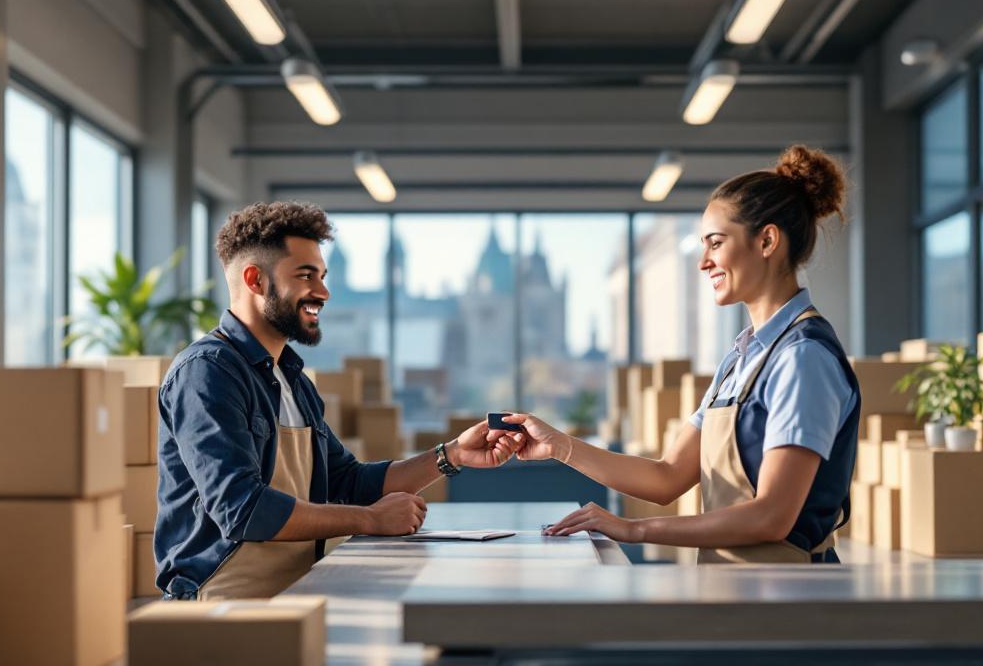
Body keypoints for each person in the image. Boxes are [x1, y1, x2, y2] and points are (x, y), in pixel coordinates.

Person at [497, 145, 858, 563]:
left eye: (716, 243)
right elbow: (666, 476)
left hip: (787, 599)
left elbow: (772, 517)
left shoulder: (803, 358)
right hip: (736, 589)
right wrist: (558, 446)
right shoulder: (742, 359)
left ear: (767, 241)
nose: (704, 262)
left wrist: (634, 529)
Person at [155, 201, 521, 599]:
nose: (324, 292)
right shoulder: (207, 372)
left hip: (295, 595)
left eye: (324, 276)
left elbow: (348, 481)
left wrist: (451, 454)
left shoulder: (292, 380)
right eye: (306, 275)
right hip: (222, 606)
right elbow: (243, 509)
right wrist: (370, 520)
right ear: (255, 280)